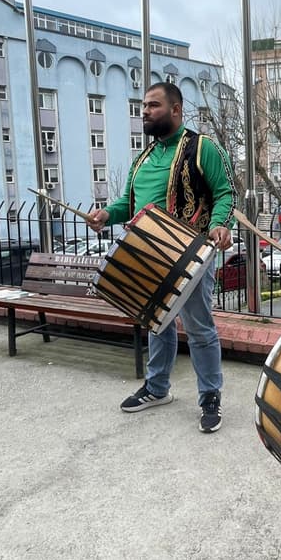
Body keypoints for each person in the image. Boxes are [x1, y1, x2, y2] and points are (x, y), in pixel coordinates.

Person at [87, 82, 237, 434]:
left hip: (190, 253)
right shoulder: (142, 159)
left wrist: (219, 225)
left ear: (176, 110)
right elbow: (129, 203)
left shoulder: (202, 148)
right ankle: (157, 388)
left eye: (153, 105)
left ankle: (210, 397)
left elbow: (225, 192)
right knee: (157, 323)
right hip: (149, 254)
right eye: (143, 106)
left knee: (199, 328)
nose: (145, 111)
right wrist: (107, 215)